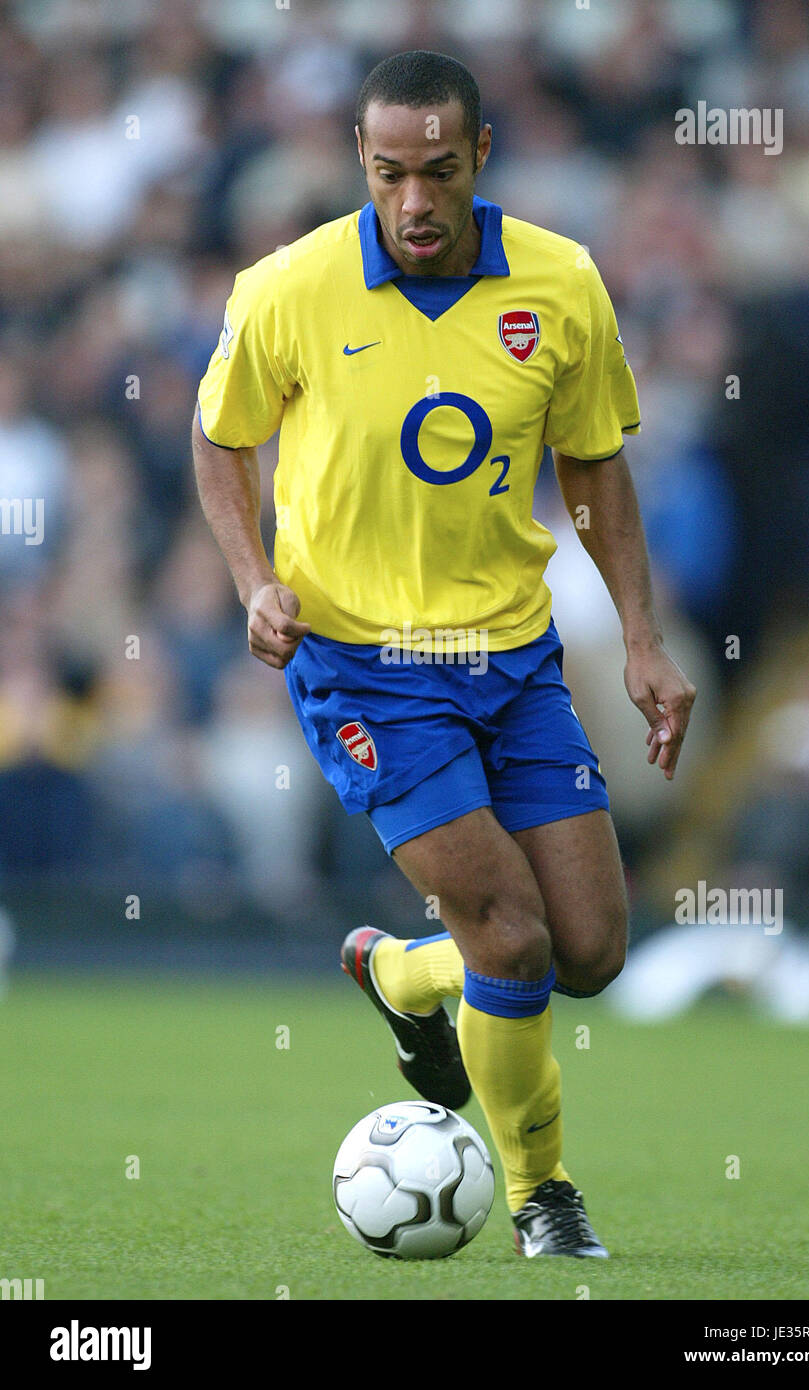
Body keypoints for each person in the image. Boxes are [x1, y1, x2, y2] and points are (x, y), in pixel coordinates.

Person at [192, 50, 696, 1259]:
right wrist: (255, 581)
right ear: (360, 165)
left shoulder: (560, 284)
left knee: (588, 952)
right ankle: (543, 1195)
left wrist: (638, 637)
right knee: (510, 935)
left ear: (479, 158)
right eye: (385, 173)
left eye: (434, 171)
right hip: (362, 663)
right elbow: (221, 443)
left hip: (511, 657)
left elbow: (593, 466)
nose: (411, 200)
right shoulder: (290, 288)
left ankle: (408, 977)